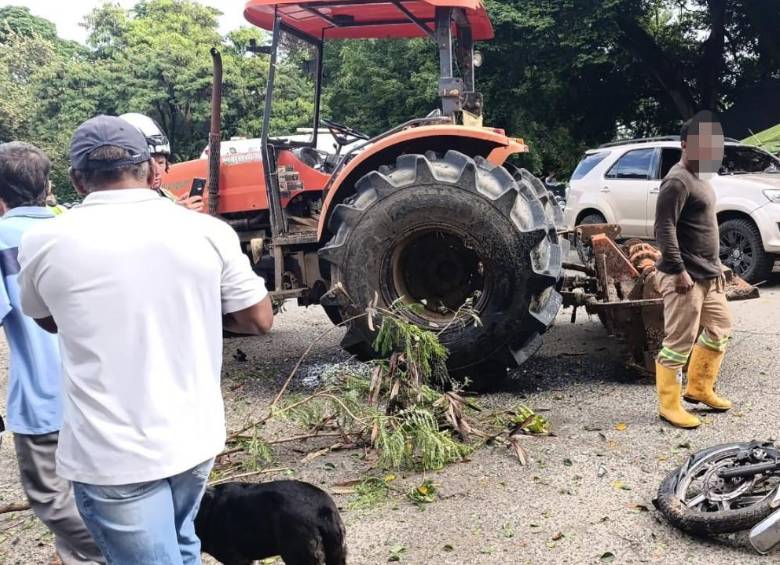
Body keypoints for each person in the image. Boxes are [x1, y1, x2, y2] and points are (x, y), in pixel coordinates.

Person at [18, 115, 273, 563]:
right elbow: (258, 319)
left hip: (111, 458)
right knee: (183, 542)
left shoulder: (44, 241)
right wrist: (193, 315)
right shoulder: (208, 231)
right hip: (194, 442)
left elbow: (47, 320)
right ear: (149, 169)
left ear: (77, 180)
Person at [0, 142, 104, 564]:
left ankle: (135, 550)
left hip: (44, 401)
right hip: (101, 393)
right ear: (46, 185)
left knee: (53, 501)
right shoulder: (78, 228)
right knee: (97, 494)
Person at [653, 110, 732, 429]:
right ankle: (668, 405)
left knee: (720, 328)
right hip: (684, 277)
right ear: (686, 144)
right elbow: (664, 228)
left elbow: (702, 228)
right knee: (678, 342)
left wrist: (718, 265)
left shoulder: (700, 179)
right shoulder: (677, 179)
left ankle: (699, 388)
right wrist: (678, 270)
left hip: (708, 275)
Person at [119, 112, 203, 211]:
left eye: (161, 163)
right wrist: (177, 213)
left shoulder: (165, 195)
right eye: (149, 163)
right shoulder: (118, 201)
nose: (157, 172)